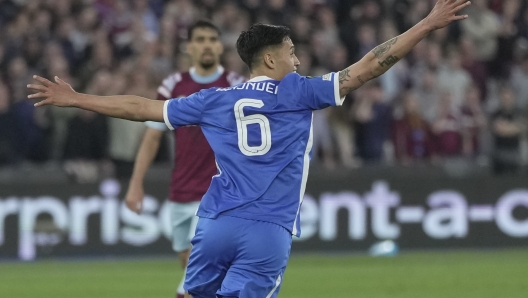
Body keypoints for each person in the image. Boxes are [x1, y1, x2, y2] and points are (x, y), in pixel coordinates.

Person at [27, 1, 471, 296]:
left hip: (214, 223)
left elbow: (142, 107)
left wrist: (77, 98)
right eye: (292, 52)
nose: (297, 60)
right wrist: (427, 24)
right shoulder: (299, 91)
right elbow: (371, 65)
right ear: (272, 60)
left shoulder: (216, 98)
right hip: (267, 231)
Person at [123, 20, 244, 298]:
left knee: (196, 277)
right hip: (181, 192)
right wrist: (135, 183)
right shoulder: (173, 85)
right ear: (189, 47)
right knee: (188, 267)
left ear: (219, 46)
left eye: (212, 39)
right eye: (200, 39)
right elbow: (152, 137)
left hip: (220, 194)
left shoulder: (235, 86)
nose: (207, 45)